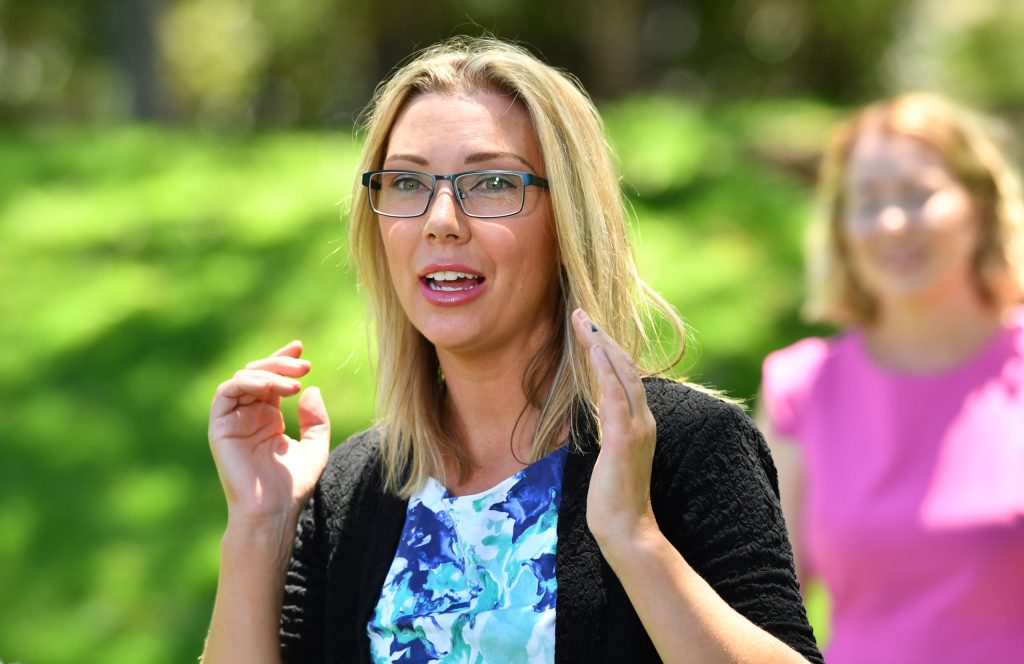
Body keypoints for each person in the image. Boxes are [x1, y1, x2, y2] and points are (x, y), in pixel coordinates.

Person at [202, 37, 822, 664]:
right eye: (407, 182)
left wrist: (635, 539)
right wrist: (260, 527)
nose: (441, 219)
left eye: (493, 182)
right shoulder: (356, 488)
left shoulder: (680, 447)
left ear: (567, 222)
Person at [758, 93, 1024, 663]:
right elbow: (767, 621)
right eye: (867, 201)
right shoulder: (801, 388)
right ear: (842, 228)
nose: (893, 223)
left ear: (979, 206)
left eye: (917, 194)